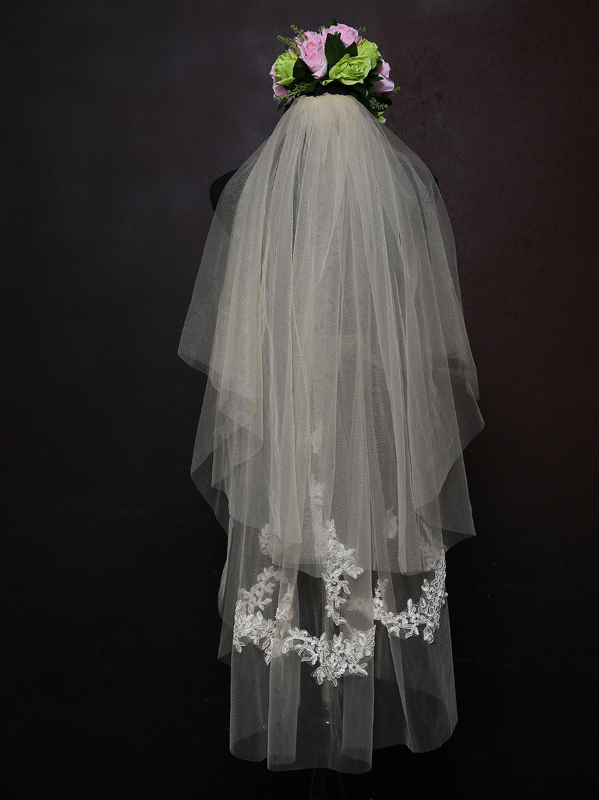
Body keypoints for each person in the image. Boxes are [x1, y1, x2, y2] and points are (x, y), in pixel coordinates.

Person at [178, 22, 484, 774]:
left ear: (289, 91)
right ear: (370, 94)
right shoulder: (405, 187)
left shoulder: (248, 190)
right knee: (314, 558)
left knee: (337, 554)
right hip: (346, 427)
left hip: (339, 427)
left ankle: (347, 724)